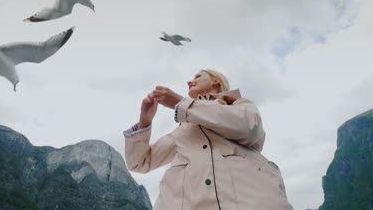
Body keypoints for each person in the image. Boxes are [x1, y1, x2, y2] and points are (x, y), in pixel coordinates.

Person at [123, 69, 294, 210]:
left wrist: (181, 103)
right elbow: (140, 163)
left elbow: (249, 128)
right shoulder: (183, 130)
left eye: (198, 76)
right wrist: (145, 121)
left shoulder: (239, 105)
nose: (190, 82)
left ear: (216, 82)